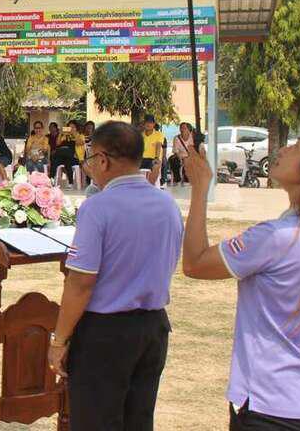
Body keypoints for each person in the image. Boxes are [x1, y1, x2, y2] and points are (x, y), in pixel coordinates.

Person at [180, 128, 300, 429]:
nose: (283, 149)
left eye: (297, 146)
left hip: (268, 407)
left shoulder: (276, 238)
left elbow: (195, 263)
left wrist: (200, 188)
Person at [48, 121, 183, 429]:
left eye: (90, 158)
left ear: (103, 160)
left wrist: (59, 340)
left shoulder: (97, 207)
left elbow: (81, 283)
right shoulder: (168, 204)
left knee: (95, 421)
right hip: (152, 328)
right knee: (138, 420)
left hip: (105, 332)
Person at [51, 121, 81, 187]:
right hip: (63, 157)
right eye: (69, 127)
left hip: (74, 158)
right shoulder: (65, 135)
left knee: (66, 159)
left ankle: (53, 178)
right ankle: (52, 179)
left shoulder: (79, 135)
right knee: (56, 160)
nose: (71, 128)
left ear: (76, 128)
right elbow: (57, 143)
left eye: (73, 127)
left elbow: (79, 142)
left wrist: (74, 134)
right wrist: (60, 133)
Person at [141, 114, 164, 186]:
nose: (148, 124)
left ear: (154, 124)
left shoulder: (159, 134)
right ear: (144, 124)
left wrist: (156, 157)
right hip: (142, 159)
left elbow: (158, 145)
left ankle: (151, 186)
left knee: (156, 164)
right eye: (146, 122)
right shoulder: (140, 135)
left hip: (153, 159)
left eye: (150, 122)